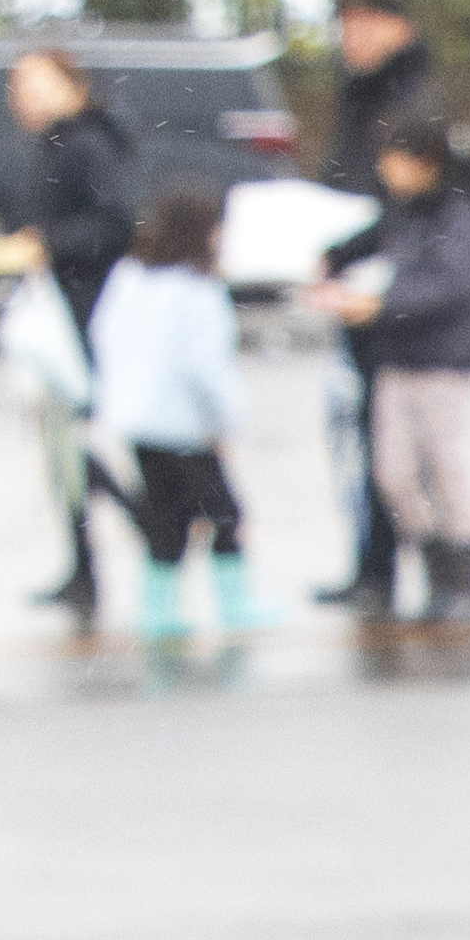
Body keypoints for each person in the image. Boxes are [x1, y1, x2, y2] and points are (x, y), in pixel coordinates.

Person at [327, 110, 470, 626]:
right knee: (393, 475)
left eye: (394, 158)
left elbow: (452, 287)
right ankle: (436, 562)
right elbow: (364, 245)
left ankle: (459, 578)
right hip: (394, 359)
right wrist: (329, 263)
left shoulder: (457, 217)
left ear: (424, 161)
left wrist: (382, 306)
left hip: (441, 361)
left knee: (446, 467)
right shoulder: (401, 213)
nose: (384, 170)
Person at [0, 42, 148, 615]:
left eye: (39, 86)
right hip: (58, 312)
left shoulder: (88, 145)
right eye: (20, 89)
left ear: (74, 87)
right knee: (68, 440)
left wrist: (46, 247)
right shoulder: (50, 149)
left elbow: (115, 223)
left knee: (86, 435)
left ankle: (144, 518)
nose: (27, 100)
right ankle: (87, 558)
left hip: (88, 311)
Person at [86, 177, 266, 639]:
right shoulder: (198, 292)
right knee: (224, 513)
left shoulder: (129, 278)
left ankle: (158, 610)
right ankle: (235, 605)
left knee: (165, 518)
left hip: (137, 420)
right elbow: (205, 366)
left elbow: (103, 336)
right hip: (187, 425)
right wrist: (226, 418)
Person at [314, 0, 438, 608]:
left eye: (364, 25)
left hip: (391, 292)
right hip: (360, 282)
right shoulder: (361, 97)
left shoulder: (412, 102)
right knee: (367, 432)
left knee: (401, 439)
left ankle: (424, 565)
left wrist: (347, 250)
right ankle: (375, 563)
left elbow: (407, 206)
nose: (350, 40)